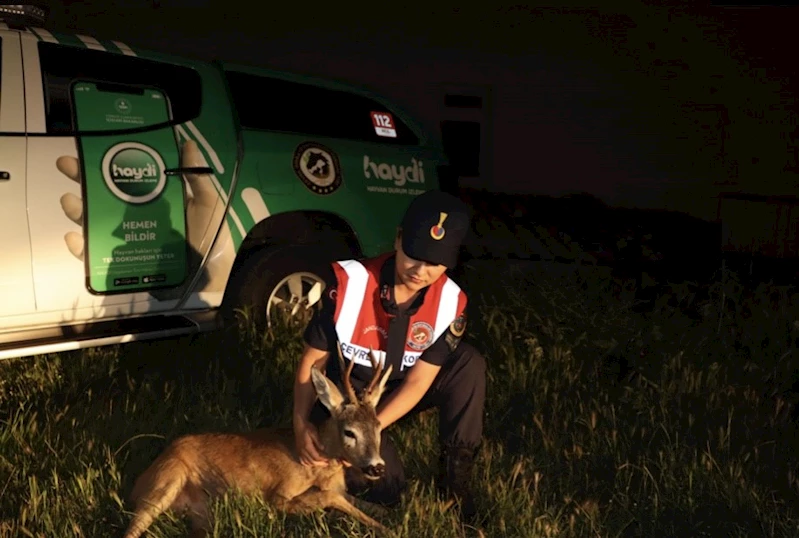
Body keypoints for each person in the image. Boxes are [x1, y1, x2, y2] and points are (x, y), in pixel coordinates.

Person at [292, 189, 486, 522]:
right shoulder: (349, 284)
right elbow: (313, 362)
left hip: (397, 392)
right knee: (387, 487)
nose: (420, 270)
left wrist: (374, 426)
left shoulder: (452, 303)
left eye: (435, 262)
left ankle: (456, 485)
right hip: (350, 398)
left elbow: (419, 380)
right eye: (414, 254)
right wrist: (299, 422)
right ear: (398, 239)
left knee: (468, 363)